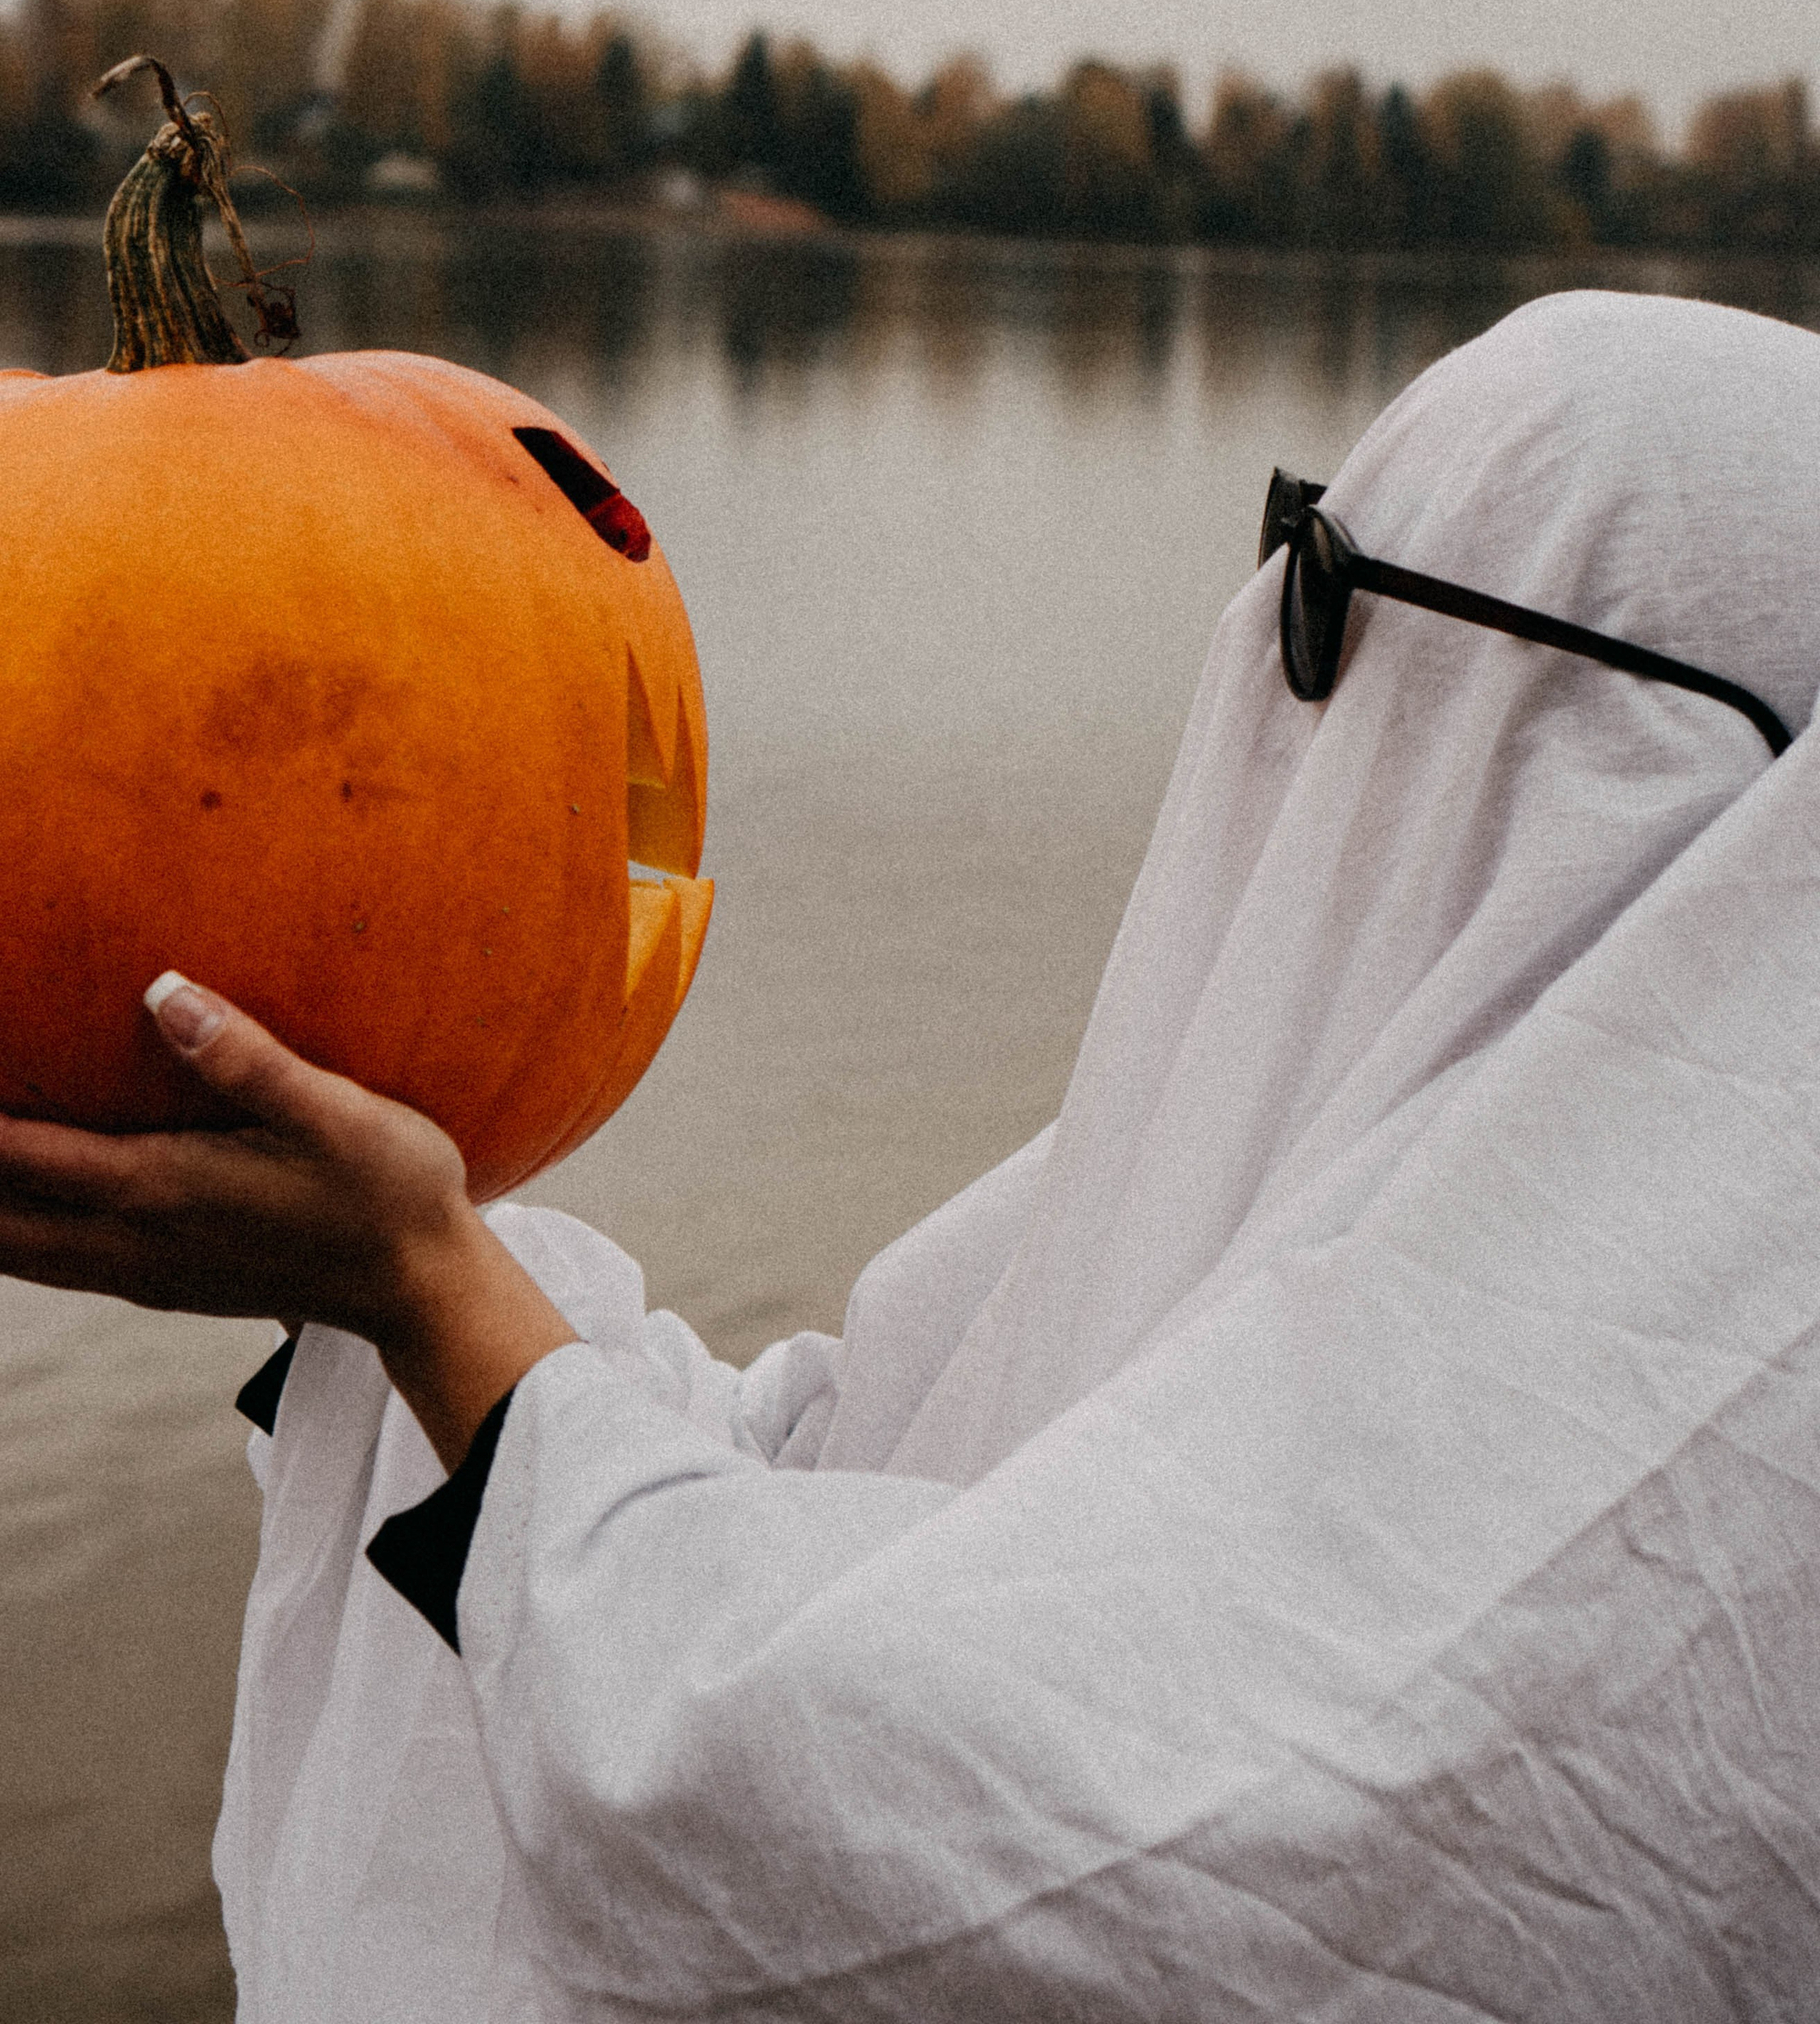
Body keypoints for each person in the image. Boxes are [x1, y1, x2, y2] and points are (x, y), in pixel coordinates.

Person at [4, 287, 1820, 2022]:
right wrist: (392, 1277)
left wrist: (423, 1285)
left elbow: (971, 1854)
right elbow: (863, 1485)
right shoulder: (1340, 1167)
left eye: (1332, 606)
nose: (1293, 682)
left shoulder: (1678, 1477)